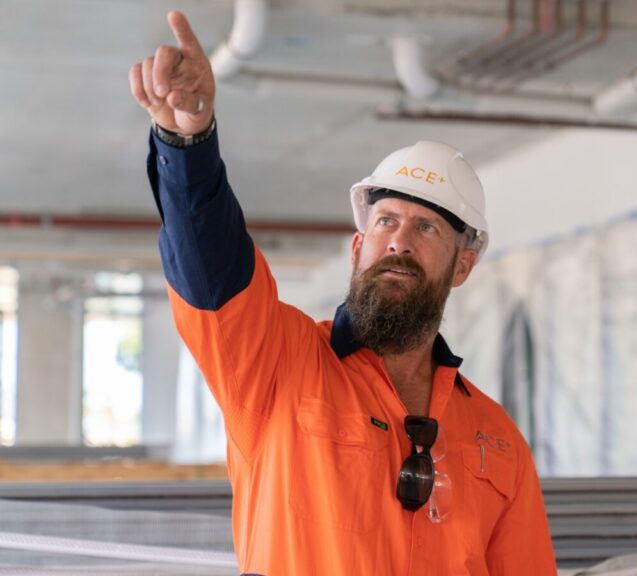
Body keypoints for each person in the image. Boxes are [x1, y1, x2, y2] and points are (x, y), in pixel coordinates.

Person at [128, 11, 557, 575]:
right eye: (385, 222)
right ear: (357, 249)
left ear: (462, 266)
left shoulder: (497, 441)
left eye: (427, 228)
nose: (399, 241)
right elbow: (212, 271)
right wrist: (188, 140)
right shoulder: (277, 366)